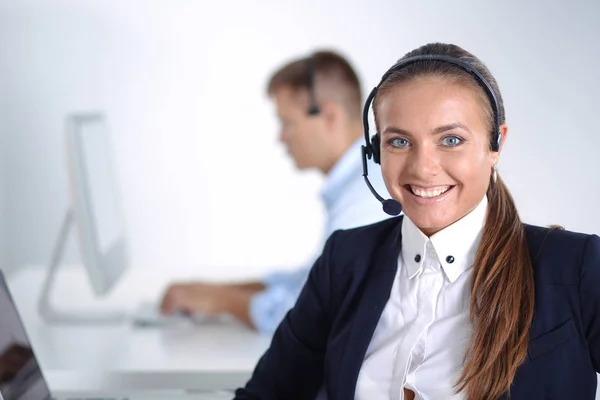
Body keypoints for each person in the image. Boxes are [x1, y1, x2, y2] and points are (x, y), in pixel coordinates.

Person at [234, 42, 600, 400]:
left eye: (451, 139)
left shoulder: (575, 265)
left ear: (495, 145)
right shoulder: (346, 259)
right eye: (399, 142)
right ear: (376, 152)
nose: (423, 168)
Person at [160, 51, 391, 335]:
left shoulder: (366, 198)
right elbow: (311, 280)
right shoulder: (358, 184)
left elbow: (311, 313)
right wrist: (219, 290)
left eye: (287, 123)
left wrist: (220, 300)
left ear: (329, 115)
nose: (281, 138)